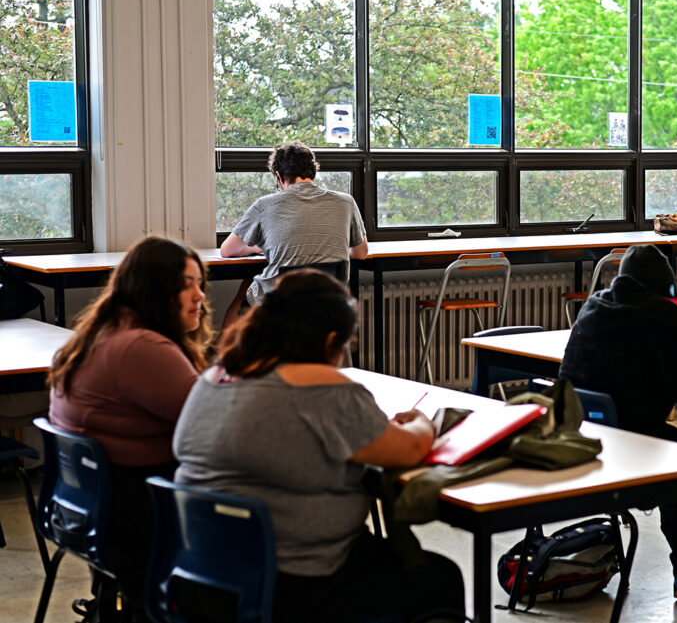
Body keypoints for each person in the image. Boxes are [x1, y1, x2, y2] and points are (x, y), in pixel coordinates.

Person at [174, 270, 465, 623]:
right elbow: (408, 450)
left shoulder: (215, 377)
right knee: (439, 578)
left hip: (203, 575)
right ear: (330, 341)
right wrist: (421, 419)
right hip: (296, 585)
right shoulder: (326, 392)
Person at [559, 244, 677, 613]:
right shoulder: (661, 314)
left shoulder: (594, 307)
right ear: (668, 286)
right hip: (635, 456)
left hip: (588, 448)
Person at [48, 235, 212, 621]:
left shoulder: (104, 333)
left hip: (87, 508)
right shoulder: (143, 347)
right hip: (135, 516)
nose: (200, 296)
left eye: (199, 283)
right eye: (187, 284)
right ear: (155, 289)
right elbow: (218, 426)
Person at [219, 141, 368, 327]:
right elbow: (361, 253)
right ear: (313, 172)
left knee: (251, 282)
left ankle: (227, 351)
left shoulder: (265, 204)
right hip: (327, 306)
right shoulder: (346, 202)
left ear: (279, 176)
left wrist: (257, 249)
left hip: (280, 308)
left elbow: (227, 250)